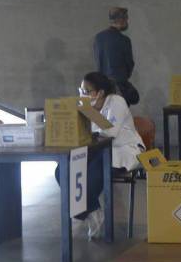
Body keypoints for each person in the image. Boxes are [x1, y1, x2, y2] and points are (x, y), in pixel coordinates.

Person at [55, 72, 145, 239]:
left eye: (86, 91)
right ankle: (93, 209)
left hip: (123, 150)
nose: (82, 95)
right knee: (63, 170)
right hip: (96, 149)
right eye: (80, 90)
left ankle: (77, 217)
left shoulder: (116, 102)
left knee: (92, 175)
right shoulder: (86, 106)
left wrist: (87, 111)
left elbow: (110, 131)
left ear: (101, 92)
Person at [93, 7, 139, 106]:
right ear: (121, 20)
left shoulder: (98, 38)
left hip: (102, 89)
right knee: (121, 118)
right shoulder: (124, 40)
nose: (127, 21)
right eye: (126, 19)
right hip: (120, 89)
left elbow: (98, 60)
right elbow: (129, 65)